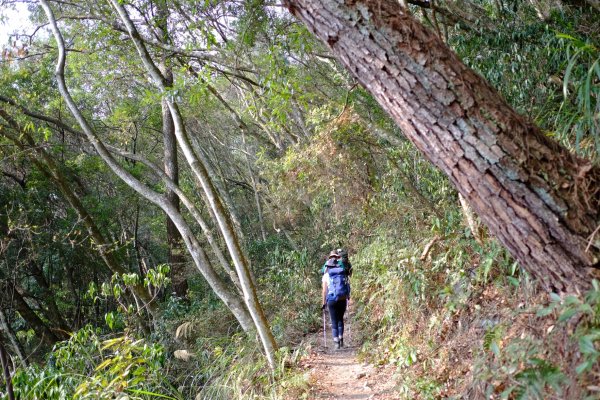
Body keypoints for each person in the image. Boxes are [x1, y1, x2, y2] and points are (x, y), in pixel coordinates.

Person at [321, 250, 350, 349]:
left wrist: (323, 303)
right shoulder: (342, 272)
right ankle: (341, 340)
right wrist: (348, 296)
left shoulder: (326, 275)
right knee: (340, 319)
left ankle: (336, 343)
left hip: (331, 299)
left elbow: (324, 291)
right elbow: (347, 285)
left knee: (334, 321)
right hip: (342, 298)